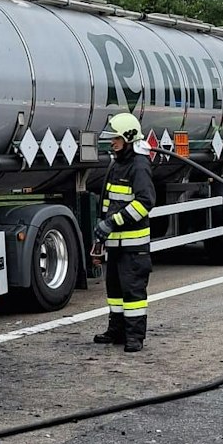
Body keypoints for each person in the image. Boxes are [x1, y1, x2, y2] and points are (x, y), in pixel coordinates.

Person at [90, 111, 155, 354]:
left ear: (128, 138)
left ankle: (135, 337)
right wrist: (100, 236)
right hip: (115, 245)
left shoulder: (139, 166)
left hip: (133, 247)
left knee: (133, 293)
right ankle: (116, 331)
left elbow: (145, 202)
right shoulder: (117, 164)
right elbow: (108, 202)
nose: (112, 142)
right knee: (115, 293)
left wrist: (112, 223)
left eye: (116, 138)